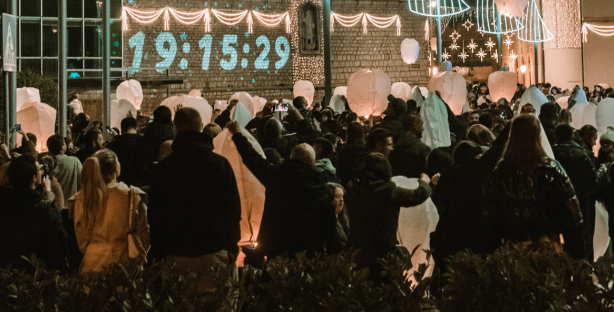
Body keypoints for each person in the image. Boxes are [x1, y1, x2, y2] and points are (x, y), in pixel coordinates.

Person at [148, 107, 240, 291]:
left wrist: (159, 255)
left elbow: (155, 216)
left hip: (176, 255)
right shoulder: (220, 165)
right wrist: (231, 248)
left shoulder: (165, 169)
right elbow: (233, 210)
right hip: (215, 253)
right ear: (201, 127)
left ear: (176, 129)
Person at [226, 115, 338, 259]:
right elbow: (330, 226)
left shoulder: (277, 176)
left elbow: (252, 159)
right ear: (313, 162)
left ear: (291, 156)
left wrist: (237, 135)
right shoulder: (323, 188)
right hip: (310, 252)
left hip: (278, 250)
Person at [483, 115, 582, 250]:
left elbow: (489, 215)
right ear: (538, 136)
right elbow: (572, 215)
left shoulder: (501, 171)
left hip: (513, 249)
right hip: (546, 246)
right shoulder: (552, 169)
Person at [0, 154, 68, 277]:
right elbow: (58, 253)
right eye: (39, 169)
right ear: (34, 177)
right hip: (34, 282)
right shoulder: (43, 212)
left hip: (0, 280)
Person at [346, 152, 435, 273]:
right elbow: (418, 195)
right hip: (383, 252)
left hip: (357, 249)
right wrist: (424, 182)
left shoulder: (352, 189)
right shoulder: (388, 191)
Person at [69, 149, 149, 273]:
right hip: (125, 262)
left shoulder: (81, 199)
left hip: (92, 263)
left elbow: (81, 240)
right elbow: (144, 234)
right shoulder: (132, 196)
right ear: (116, 167)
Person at [552, 124, 598, 260]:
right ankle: (584, 271)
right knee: (583, 239)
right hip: (582, 201)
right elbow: (593, 181)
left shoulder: (551, 154)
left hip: (558, 203)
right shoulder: (583, 154)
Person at [130, 105, 175, 184]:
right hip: (169, 181)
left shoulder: (144, 138)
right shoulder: (173, 139)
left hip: (146, 180)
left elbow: (135, 163)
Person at [390, 113, 431, 179]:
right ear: (415, 125)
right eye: (421, 124)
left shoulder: (392, 146)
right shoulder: (423, 149)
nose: (423, 128)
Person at [47, 134, 83, 199]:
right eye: (64, 143)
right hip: (72, 203)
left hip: (54, 205)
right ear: (62, 147)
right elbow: (82, 181)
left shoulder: (47, 163)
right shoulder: (74, 161)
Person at [107, 117, 140, 183]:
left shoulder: (113, 145)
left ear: (122, 129)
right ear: (136, 128)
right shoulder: (144, 142)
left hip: (118, 181)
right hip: (139, 181)